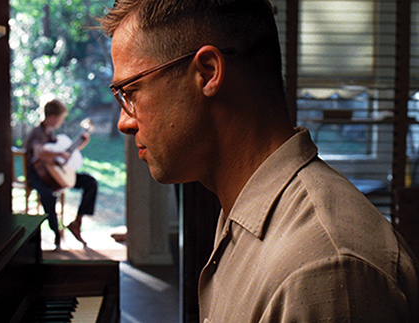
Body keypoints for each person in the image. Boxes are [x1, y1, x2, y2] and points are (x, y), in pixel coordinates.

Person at [99, 0, 418, 322]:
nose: (124, 123)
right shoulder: (245, 212)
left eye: (131, 90)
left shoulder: (323, 268)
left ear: (208, 72)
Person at [24, 98, 98, 250]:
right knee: (48, 196)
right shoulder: (38, 133)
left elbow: (64, 154)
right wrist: (60, 154)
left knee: (90, 182)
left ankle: (77, 222)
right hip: (38, 176)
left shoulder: (50, 132)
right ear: (53, 117)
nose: (61, 121)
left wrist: (81, 143)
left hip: (55, 175)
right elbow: (39, 152)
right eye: (61, 118)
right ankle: (56, 233)